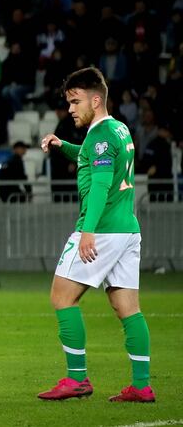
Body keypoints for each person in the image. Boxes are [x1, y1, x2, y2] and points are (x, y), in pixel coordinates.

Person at [38, 67, 154, 403]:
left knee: (62, 297)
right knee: (127, 308)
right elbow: (94, 158)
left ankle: (77, 380)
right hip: (127, 229)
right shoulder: (116, 130)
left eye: (75, 102)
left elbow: (102, 182)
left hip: (101, 229)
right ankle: (142, 385)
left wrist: (87, 231)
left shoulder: (100, 135)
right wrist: (64, 146)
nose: (70, 109)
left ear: (96, 98)